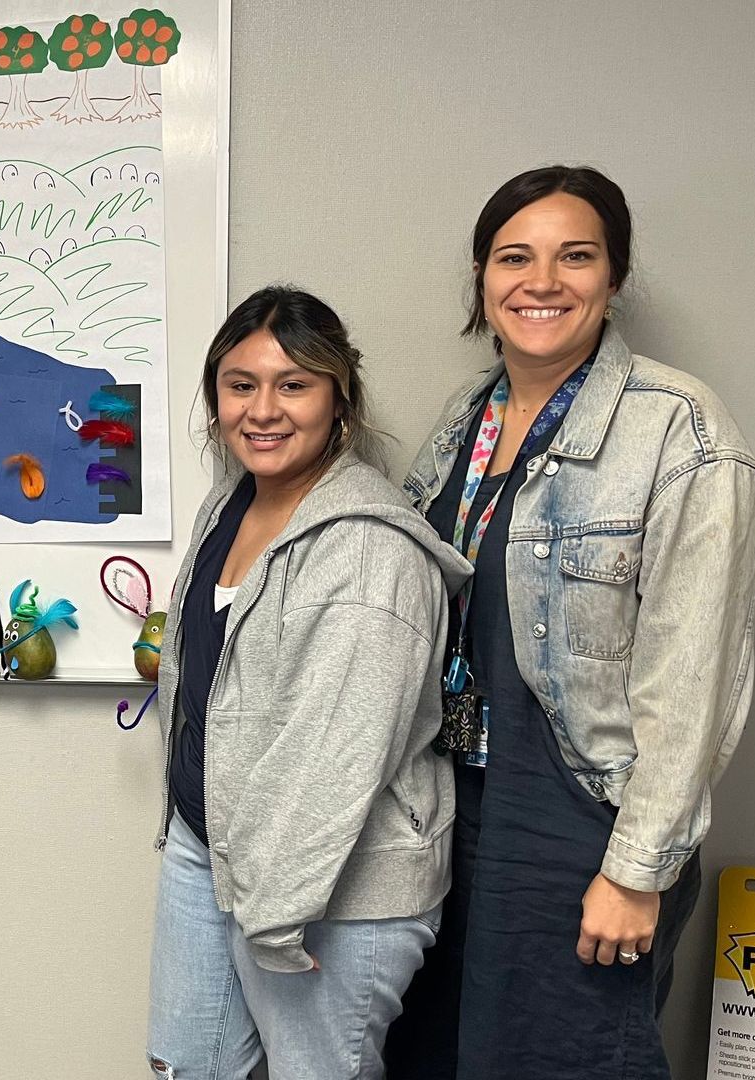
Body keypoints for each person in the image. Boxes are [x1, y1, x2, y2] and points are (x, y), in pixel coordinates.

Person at [384, 166, 755, 1079]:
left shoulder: (682, 429)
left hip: (580, 818)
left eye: (575, 256)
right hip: (452, 809)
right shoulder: (462, 422)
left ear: (614, 277)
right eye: (516, 257)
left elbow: (693, 674)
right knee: (436, 1055)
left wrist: (638, 869)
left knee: (569, 1058)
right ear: (483, 280)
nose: (542, 282)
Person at [146, 287, 470, 1080]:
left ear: (340, 403)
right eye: (240, 384)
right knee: (190, 1065)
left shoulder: (368, 550)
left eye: (294, 385)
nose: (263, 409)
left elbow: (339, 756)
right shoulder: (230, 505)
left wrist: (275, 916)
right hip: (211, 847)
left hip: (331, 888)